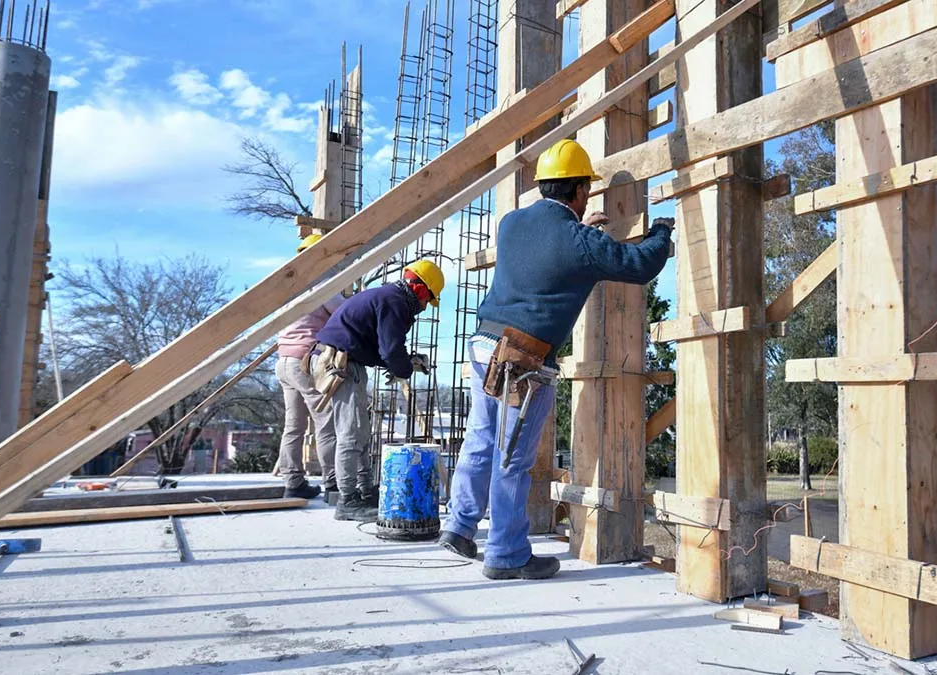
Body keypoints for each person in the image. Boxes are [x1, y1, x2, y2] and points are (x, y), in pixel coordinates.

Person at [439, 139, 673, 580]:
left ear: (546, 185)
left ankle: (459, 527)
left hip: (484, 345)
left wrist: (587, 235)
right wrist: (661, 230)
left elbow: (550, 253)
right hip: (520, 362)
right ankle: (506, 555)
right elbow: (638, 265)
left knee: (482, 439)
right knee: (512, 457)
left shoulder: (512, 224)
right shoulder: (578, 240)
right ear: (581, 191)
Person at [313, 259, 445, 522]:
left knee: (360, 430)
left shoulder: (386, 297)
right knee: (351, 434)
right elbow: (391, 349)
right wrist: (404, 367)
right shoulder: (395, 303)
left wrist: (403, 362)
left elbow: (382, 346)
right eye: (427, 300)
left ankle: (364, 492)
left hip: (346, 361)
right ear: (420, 290)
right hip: (341, 364)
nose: (423, 308)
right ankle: (347, 500)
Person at [274, 234, 344, 501]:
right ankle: (333, 484)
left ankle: (293, 482)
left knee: (293, 426)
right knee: (326, 422)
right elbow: (343, 312)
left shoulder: (290, 286)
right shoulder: (321, 285)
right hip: (305, 361)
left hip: (283, 361)